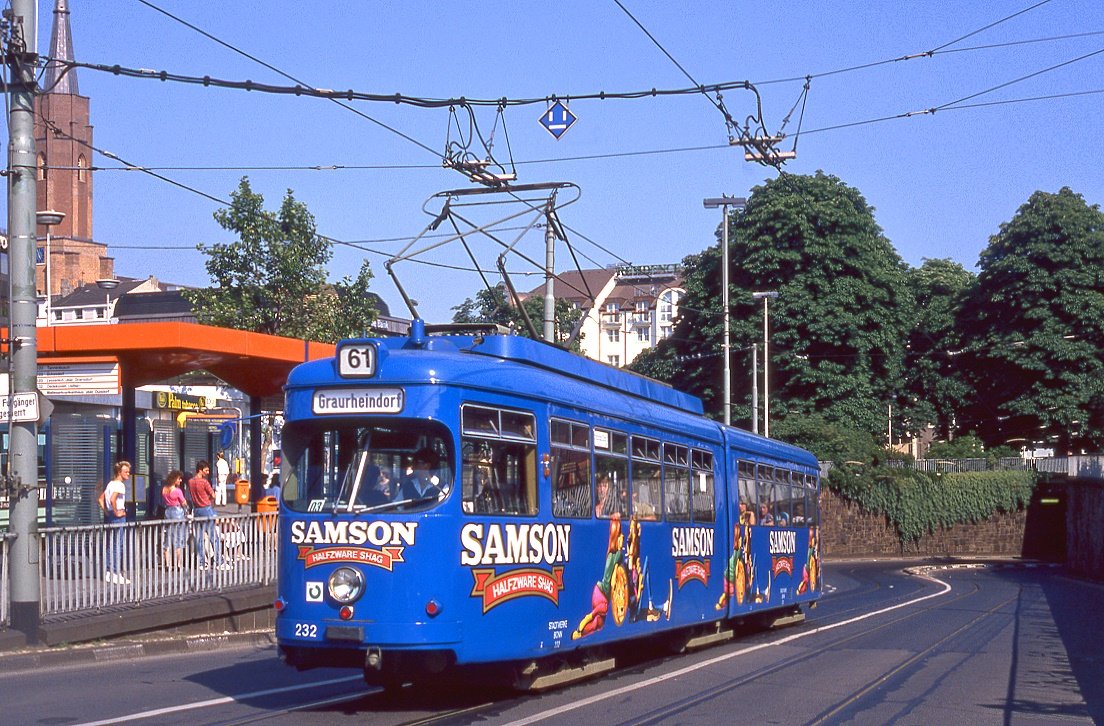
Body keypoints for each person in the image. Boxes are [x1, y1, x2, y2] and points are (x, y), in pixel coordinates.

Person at [189, 460, 230, 571]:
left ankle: (202, 563)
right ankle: (219, 562)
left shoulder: (190, 482)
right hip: (206, 508)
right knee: (214, 537)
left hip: (196, 510)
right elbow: (213, 495)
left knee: (199, 538)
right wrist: (212, 496)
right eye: (206, 470)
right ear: (200, 470)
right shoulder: (204, 482)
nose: (207, 472)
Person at [99, 460, 131, 585]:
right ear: (119, 472)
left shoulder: (110, 484)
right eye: (126, 471)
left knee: (111, 544)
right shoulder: (119, 485)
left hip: (112, 516)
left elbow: (100, 499)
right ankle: (115, 573)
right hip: (118, 516)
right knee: (118, 545)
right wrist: (117, 511)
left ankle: (109, 572)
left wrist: (108, 512)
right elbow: (112, 499)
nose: (128, 474)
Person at [161, 470, 189, 569]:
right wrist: (187, 511)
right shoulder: (177, 491)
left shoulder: (164, 489)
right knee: (178, 538)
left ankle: (167, 563)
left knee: (167, 538)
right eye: (179, 479)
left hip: (168, 512)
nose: (180, 481)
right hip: (177, 512)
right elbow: (184, 502)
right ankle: (178, 564)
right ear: (174, 479)